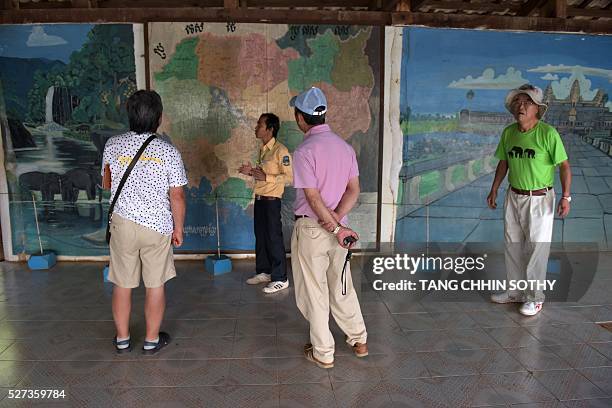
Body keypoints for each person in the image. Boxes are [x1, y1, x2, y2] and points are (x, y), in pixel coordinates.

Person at [102, 90, 187, 354]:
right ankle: (151, 340)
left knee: (122, 283)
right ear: (159, 118)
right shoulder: (168, 151)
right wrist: (179, 228)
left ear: (129, 114)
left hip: (123, 225)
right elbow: (177, 195)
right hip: (157, 227)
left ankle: (122, 339)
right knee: (155, 284)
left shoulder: (112, 145)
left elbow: (106, 184)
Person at [290, 86, 368, 369]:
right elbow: (354, 190)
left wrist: (331, 226)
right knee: (343, 286)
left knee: (315, 291)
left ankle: (324, 352)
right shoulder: (345, 148)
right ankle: (359, 340)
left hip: (313, 230)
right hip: (340, 229)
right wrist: (337, 221)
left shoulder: (304, 151)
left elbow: (312, 197)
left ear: (301, 117)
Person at [487, 84, 571, 316]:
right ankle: (515, 292)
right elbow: (503, 162)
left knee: (536, 249)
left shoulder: (548, 133)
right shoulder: (509, 133)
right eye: (517, 102)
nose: (520, 106)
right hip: (514, 195)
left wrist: (566, 196)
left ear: (537, 109)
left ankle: (535, 297)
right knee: (512, 243)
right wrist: (494, 189)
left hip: (540, 198)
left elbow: (564, 166)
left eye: (527, 102)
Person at [239, 113, 293, 293]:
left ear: (270, 129)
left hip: (272, 202)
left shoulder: (281, 151)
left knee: (273, 238)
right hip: (260, 200)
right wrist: (251, 172)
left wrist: (266, 176)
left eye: (260, 124)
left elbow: (289, 178)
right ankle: (264, 271)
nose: (256, 127)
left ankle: (280, 278)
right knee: (261, 236)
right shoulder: (263, 150)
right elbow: (262, 175)